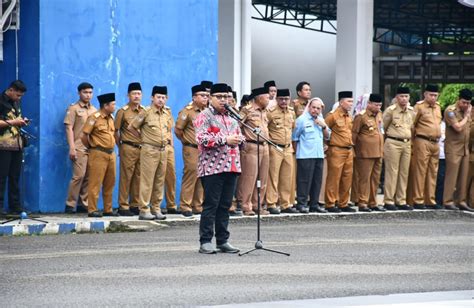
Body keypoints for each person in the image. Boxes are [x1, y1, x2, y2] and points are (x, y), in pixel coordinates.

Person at [194, 83, 244, 254]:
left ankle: (223, 240)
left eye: (226, 96)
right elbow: (202, 139)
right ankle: (205, 241)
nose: (224, 100)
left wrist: (239, 139)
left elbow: (239, 135)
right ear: (211, 98)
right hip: (212, 167)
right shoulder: (204, 116)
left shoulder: (232, 117)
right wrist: (225, 140)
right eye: (220, 97)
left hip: (231, 166)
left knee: (225, 205)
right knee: (211, 205)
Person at [129, 86, 172, 220]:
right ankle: (144, 209)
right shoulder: (146, 112)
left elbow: (169, 129)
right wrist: (143, 138)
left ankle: (156, 208)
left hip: (163, 150)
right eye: (158, 97)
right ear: (152, 98)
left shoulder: (167, 113)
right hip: (149, 150)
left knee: (160, 180)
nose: (161, 100)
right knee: (147, 181)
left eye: (163, 97)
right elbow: (132, 127)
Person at [81, 93, 117, 217]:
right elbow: (84, 135)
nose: (115, 107)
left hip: (111, 154)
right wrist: (91, 147)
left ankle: (108, 209)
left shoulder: (111, 118)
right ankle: (92, 209)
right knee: (95, 182)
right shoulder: (94, 118)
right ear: (105, 106)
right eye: (113, 104)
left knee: (110, 182)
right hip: (98, 153)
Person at [175, 84, 208, 217]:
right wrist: (186, 141)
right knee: (191, 175)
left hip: (204, 149)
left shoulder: (208, 111)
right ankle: (185, 205)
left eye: (206, 96)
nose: (205, 98)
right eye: (202, 96)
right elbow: (178, 130)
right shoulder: (187, 111)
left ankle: (197, 205)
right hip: (191, 148)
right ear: (194, 97)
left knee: (202, 176)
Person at [64, 82, 97, 214]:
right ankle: (70, 204)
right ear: (79, 93)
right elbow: (68, 128)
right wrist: (71, 147)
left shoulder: (94, 110)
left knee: (89, 176)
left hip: (91, 148)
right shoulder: (74, 108)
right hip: (78, 147)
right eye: (85, 92)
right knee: (79, 176)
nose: (88, 95)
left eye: (90, 92)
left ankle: (83, 204)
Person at [236, 87, 271, 216]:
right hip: (251, 147)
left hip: (265, 146)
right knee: (249, 177)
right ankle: (246, 205)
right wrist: (242, 139)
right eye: (267, 97)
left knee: (263, 178)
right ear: (259, 98)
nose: (269, 99)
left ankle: (258, 205)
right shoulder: (247, 110)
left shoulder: (265, 111)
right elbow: (236, 125)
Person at [292, 97, 328, 213]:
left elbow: (328, 136)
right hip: (305, 155)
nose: (315, 110)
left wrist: (323, 126)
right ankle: (301, 204)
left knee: (317, 181)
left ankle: (314, 204)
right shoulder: (302, 120)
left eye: (318, 108)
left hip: (319, 154)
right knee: (304, 181)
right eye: (313, 107)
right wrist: (297, 153)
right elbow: (295, 138)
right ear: (309, 107)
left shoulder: (321, 120)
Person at [410, 84, 442, 209]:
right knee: (420, 171)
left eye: (435, 95)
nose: (433, 97)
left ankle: (430, 200)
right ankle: (418, 200)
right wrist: (413, 143)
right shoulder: (419, 107)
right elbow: (412, 125)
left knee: (432, 172)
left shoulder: (438, 107)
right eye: (431, 95)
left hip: (435, 142)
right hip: (422, 141)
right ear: (425, 94)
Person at [266, 89, 298, 214]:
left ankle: (285, 204)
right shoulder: (271, 112)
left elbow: (293, 127)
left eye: (286, 99)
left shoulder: (291, 112)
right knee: (273, 177)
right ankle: (271, 203)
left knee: (287, 177)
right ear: (276, 99)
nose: (284, 101)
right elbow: (265, 127)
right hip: (275, 147)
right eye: (281, 99)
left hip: (288, 147)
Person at [114, 82, 145, 216]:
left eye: (138, 94)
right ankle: (123, 205)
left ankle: (135, 204)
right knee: (126, 177)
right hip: (128, 146)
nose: (136, 96)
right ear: (128, 95)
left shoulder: (144, 111)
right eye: (133, 94)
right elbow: (115, 131)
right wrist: (120, 147)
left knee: (138, 177)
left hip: (141, 147)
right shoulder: (123, 111)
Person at [382, 87, 415, 211]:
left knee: (404, 172)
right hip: (393, 142)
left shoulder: (411, 111)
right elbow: (383, 128)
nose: (404, 99)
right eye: (401, 96)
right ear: (396, 98)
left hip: (406, 143)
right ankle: (389, 200)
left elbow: (411, 126)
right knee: (392, 172)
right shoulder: (390, 111)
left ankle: (401, 200)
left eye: (406, 96)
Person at [352, 93, 385, 212]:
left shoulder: (379, 115)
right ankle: (362, 202)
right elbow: (354, 135)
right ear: (369, 103)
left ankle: (373, 202)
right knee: (364, 178)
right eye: (376, 105)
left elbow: (381, 131)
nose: (378, 107)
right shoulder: (361, 116)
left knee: (375, 179)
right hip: (365, 153)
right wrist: (354, 151)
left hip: (378, 152)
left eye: (380, 105)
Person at [324, 91, 355, 212]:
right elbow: (324, 131)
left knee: (347, 178)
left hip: (348, 150)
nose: (351, 104)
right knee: (334, 177)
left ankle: (343, 203)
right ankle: (330, 203)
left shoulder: (349, 116)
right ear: (341, 102)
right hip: (336, 149)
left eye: (352, 101)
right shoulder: (332, 116)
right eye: (348, 101)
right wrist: (326, 145)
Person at [0, 80, 28, 215]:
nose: (19, 98)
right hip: (2, 145)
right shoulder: (1, 101)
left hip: (17, 144)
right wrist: (14, 122)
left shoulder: (16, 103)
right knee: (1, 177)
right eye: (17, 95)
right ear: (10, 90)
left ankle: (15, 206)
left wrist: (21, 122)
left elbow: (16, 119)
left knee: (15, 177)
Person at [443, 89, 472, 211]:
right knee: (452, 176)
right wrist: (466, 116)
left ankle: (461, 201)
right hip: (453, 148)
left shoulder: (468, 110)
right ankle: (448, 201)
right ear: (458, 100)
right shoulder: (451, 111)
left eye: (468, 103)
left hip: (465, 148)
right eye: (464, 102)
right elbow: (458, 128)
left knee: (463, 177)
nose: (466, 105)